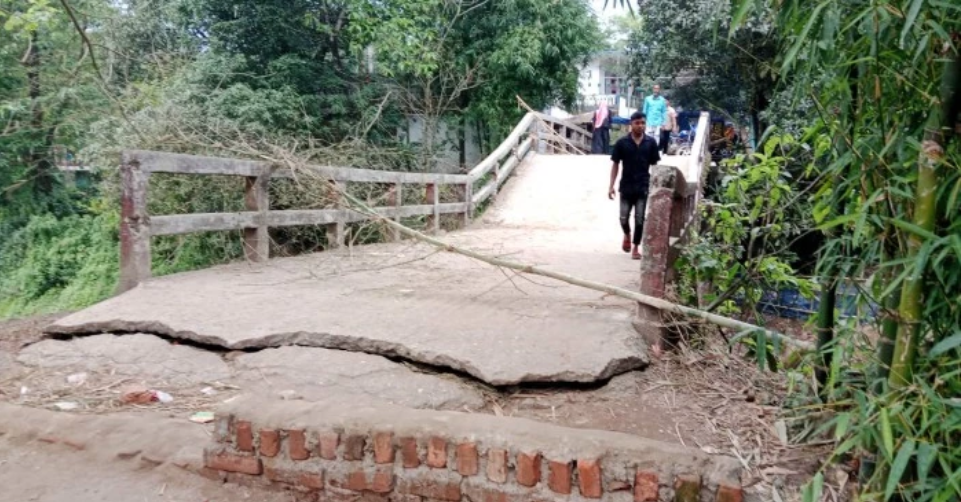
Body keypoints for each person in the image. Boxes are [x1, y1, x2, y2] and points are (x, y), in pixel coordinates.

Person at [608, 111, 661, 260]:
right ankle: (626, 233)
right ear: (631, 124)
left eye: (643, 123)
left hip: (643, 186)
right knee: (623, 218)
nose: (640, 126)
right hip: (626, 186)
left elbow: (655, 167)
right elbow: (615, 165)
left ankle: (636, 247)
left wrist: (656, 186)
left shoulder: (651, 143)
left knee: (639, 218)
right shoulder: (622, 143)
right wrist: (611, 185)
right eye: (637, 123)